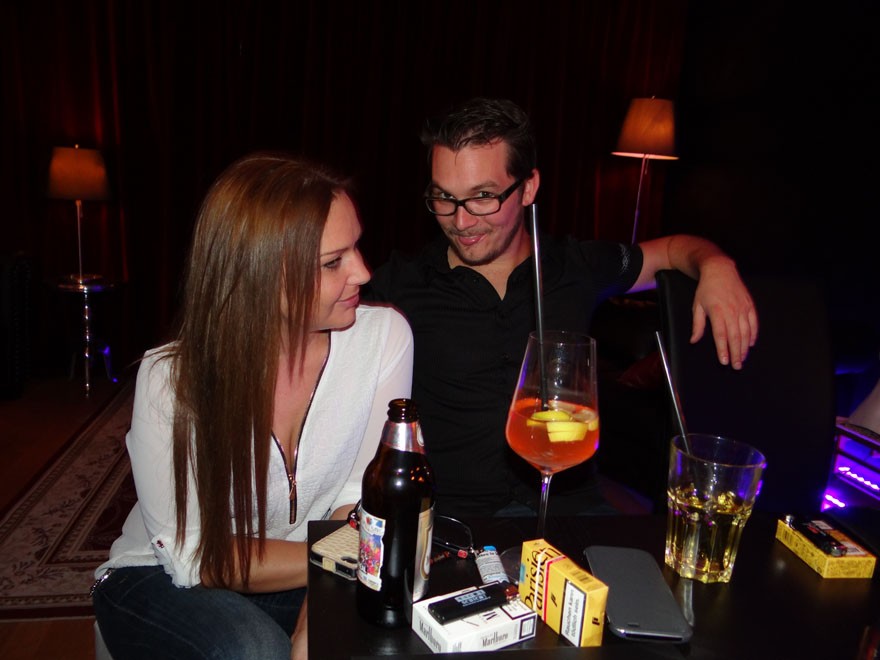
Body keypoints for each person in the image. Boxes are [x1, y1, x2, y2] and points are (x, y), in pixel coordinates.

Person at [364, 97, 758, 519]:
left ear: (529, 187)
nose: (461, 221)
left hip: (571, 510)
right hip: (455, 520)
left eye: (483, 196)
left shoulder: (574, 266)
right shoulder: (401, 282)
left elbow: (674, 250)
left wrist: (716, 265)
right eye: (445, 198)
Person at [91, 153, 414, 660]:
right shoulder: (171, 379)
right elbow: (196, 557)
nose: (363, 272)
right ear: (260, 275)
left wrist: (315, 616)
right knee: (253, 649)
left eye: (356, 246)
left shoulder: (384, 338)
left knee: (391, 625)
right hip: (159, 579)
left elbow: (358, 498)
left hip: (300, 568)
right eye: (333, 262)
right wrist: (330, 562)